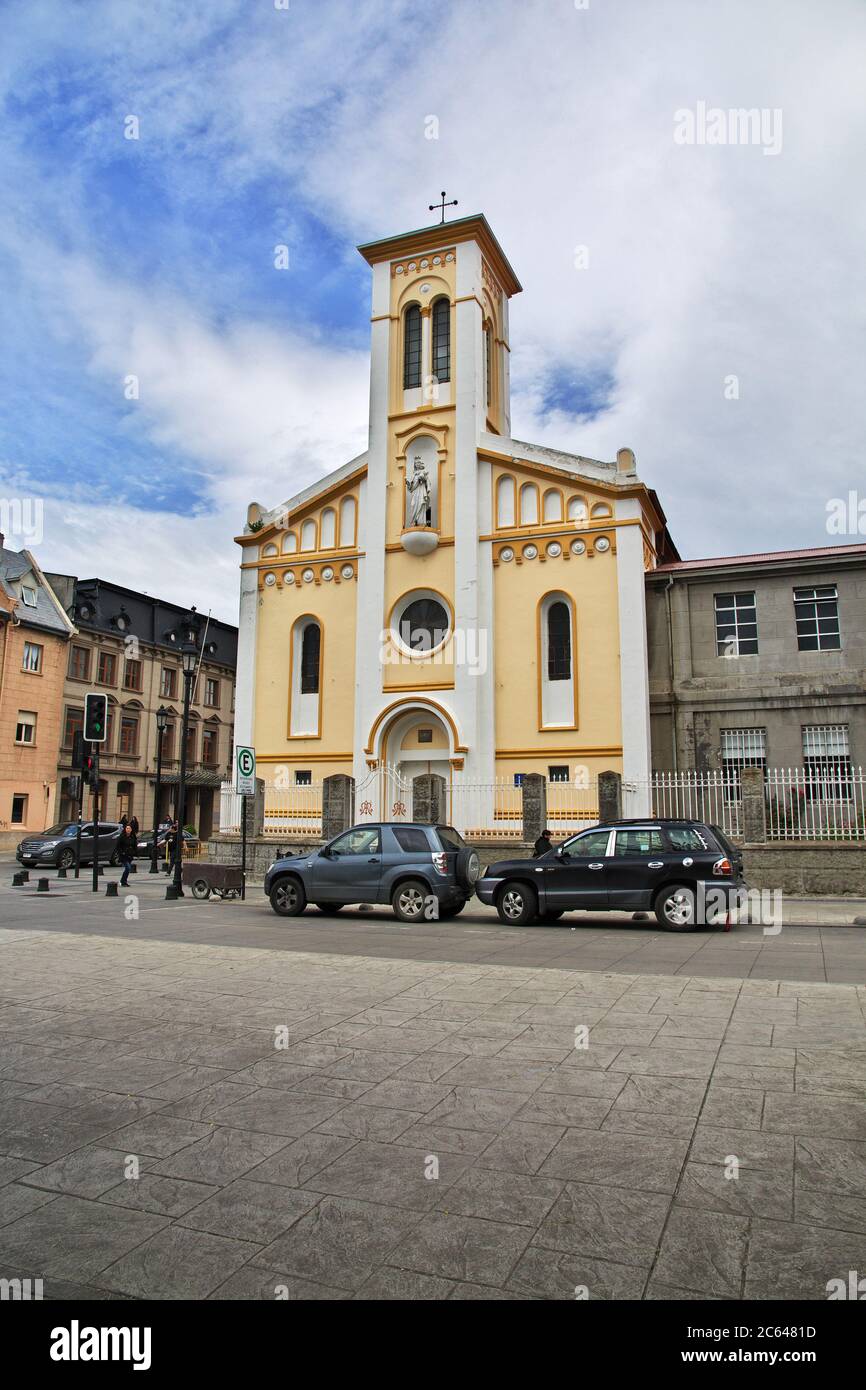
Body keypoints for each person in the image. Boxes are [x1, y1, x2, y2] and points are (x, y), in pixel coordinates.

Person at [118, 822, 137, 887]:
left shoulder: (133, 837)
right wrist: (121, 852)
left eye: (129, 828)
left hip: (130, 855)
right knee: (128, 868)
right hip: (124, 855)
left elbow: (135, 845)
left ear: (131, 830)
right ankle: (123, 881)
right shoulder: (122, 836)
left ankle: (123, 881)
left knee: (127, 869)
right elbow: (118, 846)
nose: (128, 829)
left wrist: (135, 852)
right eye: (127, 828)